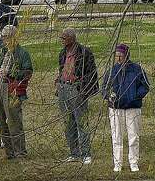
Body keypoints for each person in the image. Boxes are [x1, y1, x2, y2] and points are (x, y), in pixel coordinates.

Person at [102, 43, 149, 172]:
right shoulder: (112, 71)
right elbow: (104, 88)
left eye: (120, 56)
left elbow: (145, 86)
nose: (118, 59)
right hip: (115, 108)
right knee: (116, 136)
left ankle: (133, 162)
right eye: (116, 56)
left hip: (133, 108)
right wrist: (109, 96)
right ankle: (117, 163)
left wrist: (134, 97)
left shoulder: (136, 69)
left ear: (126, 55)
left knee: (134, 136)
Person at [56, 28, 98, 164]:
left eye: (64, 38)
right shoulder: (62, 53)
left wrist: (83, 89)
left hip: (77, 89)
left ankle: (86, 153)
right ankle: (74, 153)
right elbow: (62, 69)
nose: (62, 40)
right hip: (64, 88)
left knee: (81, 122)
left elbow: (92, 74)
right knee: (68, 123)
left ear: (71, 39)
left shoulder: (85, 53)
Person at [0, 25, 33, 159]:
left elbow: (27, 72)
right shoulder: (2, 52)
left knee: (14, 122)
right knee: (3, 123)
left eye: (7, 37)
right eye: (3, 37)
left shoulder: (22, 53)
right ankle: (9, 152)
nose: (5, 40)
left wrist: (11, 72)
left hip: (13, 90)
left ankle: (20, 152)